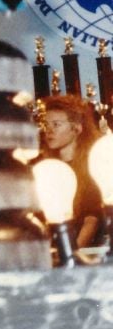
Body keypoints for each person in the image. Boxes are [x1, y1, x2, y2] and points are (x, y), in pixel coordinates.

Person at [39, 95, 103, 248]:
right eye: (46, 124)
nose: (49, 131)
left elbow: (91, 221)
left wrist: (70, 256)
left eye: (56, 124)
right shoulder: (45, 168)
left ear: (77, 127)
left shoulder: (93, 165)